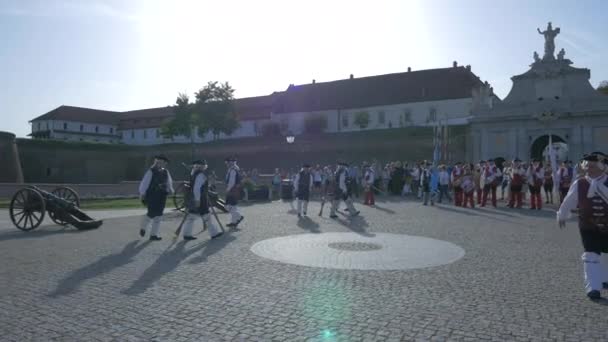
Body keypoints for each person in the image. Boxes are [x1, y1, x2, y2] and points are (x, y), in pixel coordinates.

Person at [557, 152, 608, 300]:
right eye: (587, 165)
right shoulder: (580, 183)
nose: (589, 169)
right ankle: (593, 286)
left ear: (602, 167)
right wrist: (562, 214)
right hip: (588, 224)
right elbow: (570, 199)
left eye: (592, 166)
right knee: (591, 254)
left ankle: (604, 278)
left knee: (606, 253)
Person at [181, 160, 223, 241]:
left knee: (191, 216)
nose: (204, 167)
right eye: (204, 166)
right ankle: (214, 233)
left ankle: (186, 234)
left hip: (195, 198)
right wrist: (198, 200)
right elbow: (197, 188)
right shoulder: (200, 175)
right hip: (200, 198)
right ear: (202, 166)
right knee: (206, 216)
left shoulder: (193, 173)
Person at [138, 155, 174, 241]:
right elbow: (144, 183)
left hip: (162, 195)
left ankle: (153, 235)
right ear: (156, 162)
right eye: (159, 162)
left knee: (159, 215)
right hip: (152, 195)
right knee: (151, 213)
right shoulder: (151, 171)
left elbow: (169, 182)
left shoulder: (166, 172)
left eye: (163, 162)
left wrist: (171, 190)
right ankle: (143, 227)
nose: (161, 164)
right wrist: (142, 194)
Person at [224, 156, 244, 228]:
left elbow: (231, 182)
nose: (226, 164)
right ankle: (234, 222)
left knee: (228, 206)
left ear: (230, 162)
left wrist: (228, 189)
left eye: (227, 162)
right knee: (233, 206)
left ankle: (239, 217)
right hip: (235, 190)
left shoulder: (232, 170)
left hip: (232, 190)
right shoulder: (233, 169)